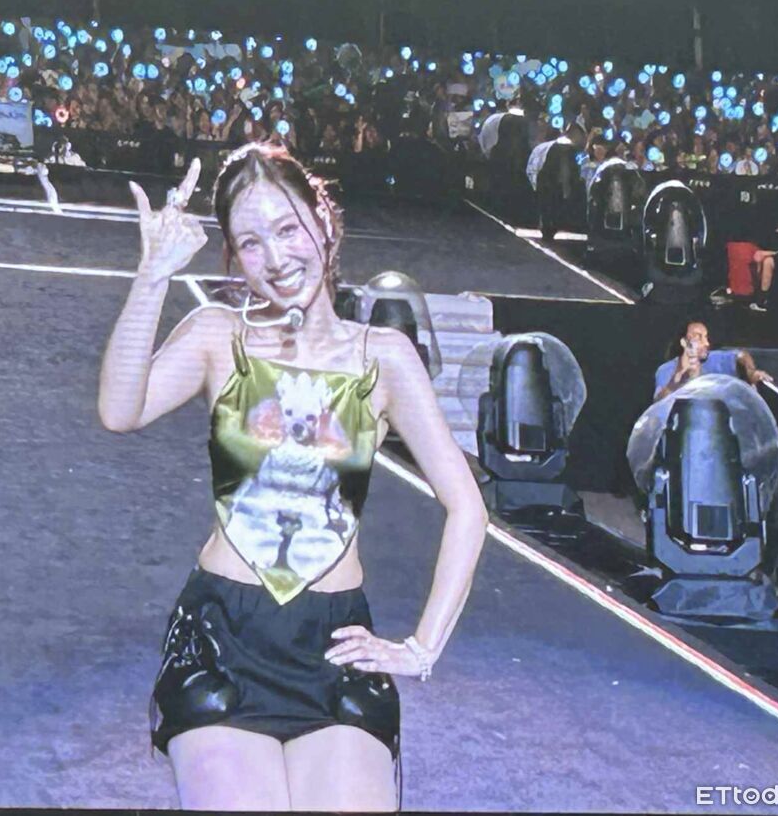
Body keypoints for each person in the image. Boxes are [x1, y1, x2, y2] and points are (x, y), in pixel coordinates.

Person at [98, 143, 488, 811]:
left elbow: (468, 509)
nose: (276, 259)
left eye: (287, 229)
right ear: (234, 256)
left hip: (333, 650)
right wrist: (153, 276)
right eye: (251, 243)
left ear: (324, 222)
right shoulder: (218, 337)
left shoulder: (385, 359)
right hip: (221, 640)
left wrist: (422, 648)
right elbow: (119, 410)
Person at [653, 320, 772, 402]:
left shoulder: (714, 359)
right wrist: (678, 380)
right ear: (684, 342)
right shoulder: (666, 369)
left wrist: (750, 372)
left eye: (706, 337)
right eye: (698, 337)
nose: (706, 343)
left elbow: (741, 355)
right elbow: (658, 403)